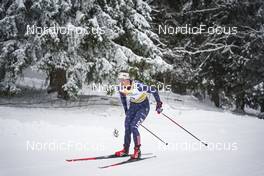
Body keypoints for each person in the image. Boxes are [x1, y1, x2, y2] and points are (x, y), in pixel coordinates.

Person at [115, 71, 163, 159]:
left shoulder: (138, 86)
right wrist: (126, 110)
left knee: (134, 126)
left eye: (123, 80)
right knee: (127, 126)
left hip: (143, 106)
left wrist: (159, 104)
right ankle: (125, 150)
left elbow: (154, 90)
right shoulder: (121, 87)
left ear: (128, 79)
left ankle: (137, 150)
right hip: (133, 106)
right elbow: (123, 98)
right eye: (120, 80)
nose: (121, 82)